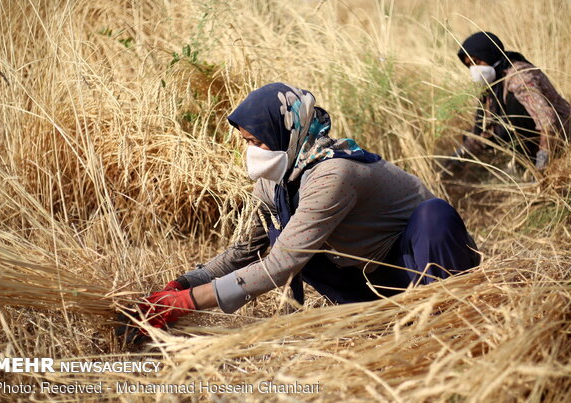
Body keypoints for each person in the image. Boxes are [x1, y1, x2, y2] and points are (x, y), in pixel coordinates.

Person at [117, 83, 480, 342]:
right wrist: (183, 283)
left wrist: (187, 304)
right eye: (246, 142)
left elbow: (280, 265)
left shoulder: (333, 172)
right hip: (371, 281)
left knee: (434, 214)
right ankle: (385, 318)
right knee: (283, 234)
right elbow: (245, 252)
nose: (252, 151)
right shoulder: (278, 178)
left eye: (257, 141)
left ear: (286, 130)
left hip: (418, 265)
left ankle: (447, 319)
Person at [443, 31, 571, 176]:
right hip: (537, 141)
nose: (474, 69)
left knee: (514, 105)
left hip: (563, 137)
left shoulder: (518, 76)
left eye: (476, 61)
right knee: (489, 127)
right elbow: (482, 134)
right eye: (469, 65)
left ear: (488, 54)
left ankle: (535, 165)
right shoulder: (491, 87)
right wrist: (454, 161)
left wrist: (543, 162)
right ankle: (525, 165)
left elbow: (548, 120)